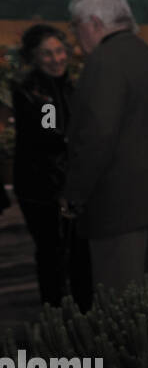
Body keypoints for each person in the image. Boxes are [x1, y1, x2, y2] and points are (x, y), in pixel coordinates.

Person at [62, 0, 148, 298]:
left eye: (75, 26)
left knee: (121, 304)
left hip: (120, 207)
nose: (76, 35)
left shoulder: (103, 63)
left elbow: (97, 136)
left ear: (93, 23)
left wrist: (74, 193)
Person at [10, 24, 92, 310]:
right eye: (46, 53)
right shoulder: (32, 91)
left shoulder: (69, 84)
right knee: (51, 253)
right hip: (41, 186)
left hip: (68, 182)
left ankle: (82, 309)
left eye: (59, 51)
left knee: (78, 251)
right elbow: (50, 135)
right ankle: (54, 312)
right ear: (34, 56)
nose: (55, 58)